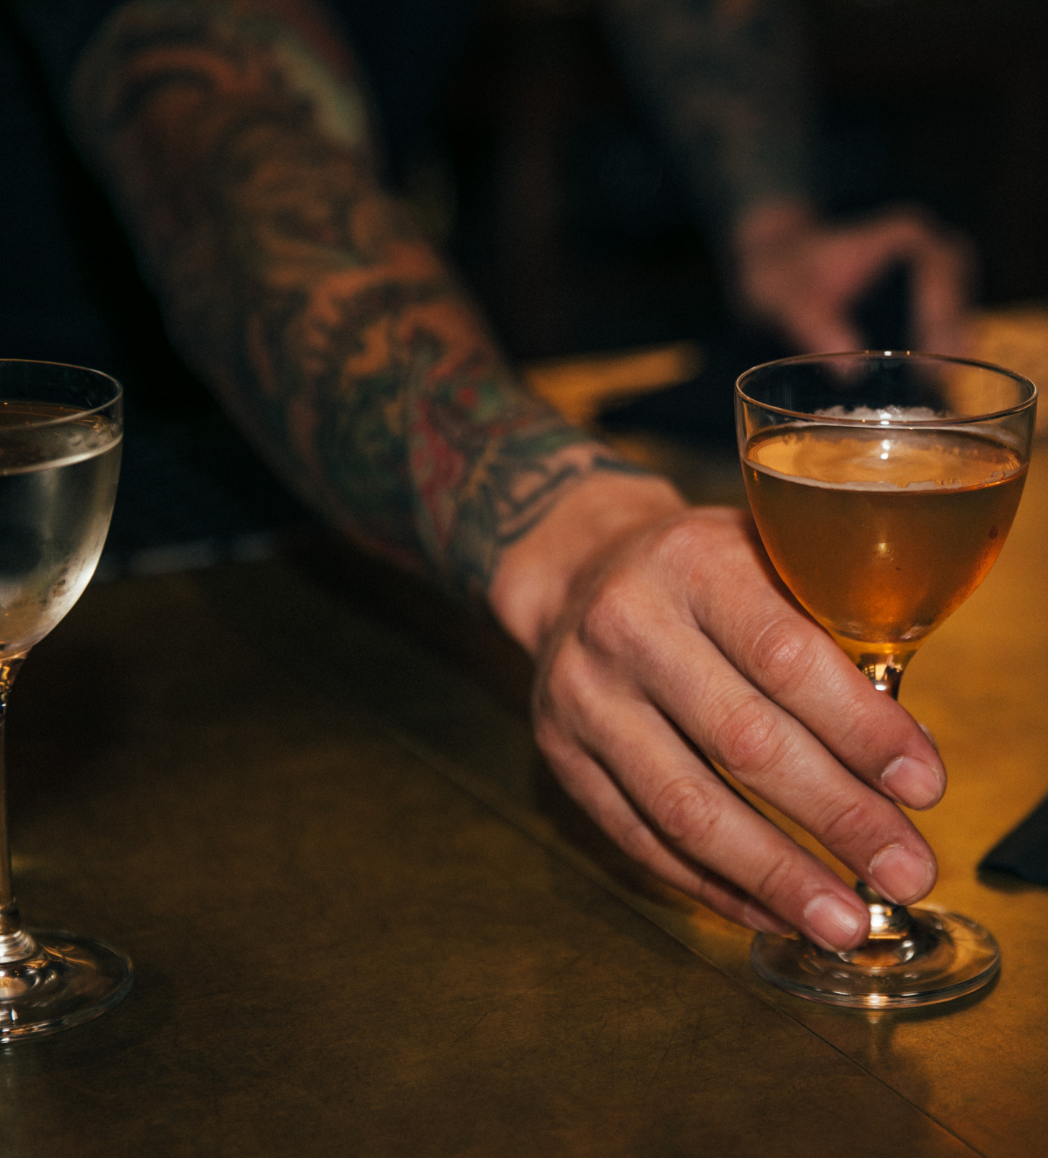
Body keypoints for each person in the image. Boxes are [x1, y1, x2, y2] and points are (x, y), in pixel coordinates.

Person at [4, 0, 974, 952]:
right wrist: (572, 533)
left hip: (377, 518)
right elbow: (229, 133)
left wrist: (772, 224)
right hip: (65, 465)